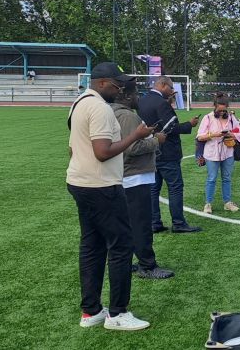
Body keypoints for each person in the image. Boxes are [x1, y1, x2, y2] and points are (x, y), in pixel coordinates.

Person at [66, 62, 154, 331]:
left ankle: (91, 310)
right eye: (117, 85)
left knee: (92, 246)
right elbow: (102, 152)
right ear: (102, 83)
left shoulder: (79, 103)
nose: (120, 90)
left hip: (80, 181)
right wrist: (136, 135)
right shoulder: (100, 108)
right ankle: (118, 313)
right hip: (101, 186)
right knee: (121, 246)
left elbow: (73, 148)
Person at [110, 79, 174, 280]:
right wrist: (156, 140)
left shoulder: (112, 112)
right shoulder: (127, 116)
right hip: (134, 176)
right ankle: (147, 265)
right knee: (141, 225)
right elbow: (132, 147)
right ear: (128, 96)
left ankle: (125, 262)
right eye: (136, 93)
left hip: (123, 175)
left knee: (126, 225)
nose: (139, 97)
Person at [138, 76, 202, 234]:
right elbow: (171, 128)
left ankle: (154, 222)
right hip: (167, 152)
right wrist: (190, 124)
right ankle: (178, 223)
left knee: (153, 189)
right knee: (175, 188)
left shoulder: (142, 101)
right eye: (170, 87)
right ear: (162, 85)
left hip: (150, 151)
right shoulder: (161, 103)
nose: (172, 90)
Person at [196, 93, 240, 214]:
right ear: (215, 106)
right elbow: (200, 136)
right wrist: (213, 135)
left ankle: (227, 202)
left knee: (227, 178)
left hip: (228, 152)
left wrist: (231, 134)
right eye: (220, 110)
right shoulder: (208, 118)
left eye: (224, 110)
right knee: (211, 178)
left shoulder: (231, 118)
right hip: (211, 153)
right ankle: (208, 203)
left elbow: (239, 131)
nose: (222, 113)